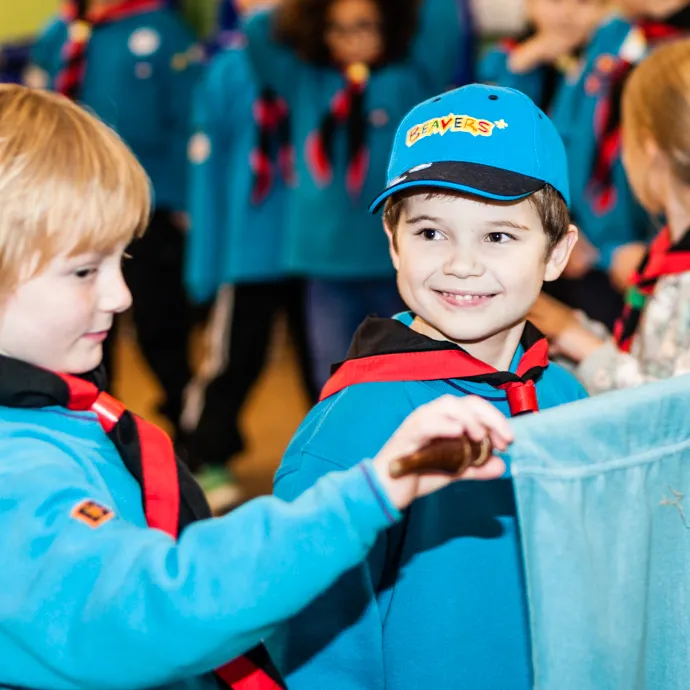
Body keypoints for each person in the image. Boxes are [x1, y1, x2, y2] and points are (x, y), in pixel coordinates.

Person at [0, 83, 508, 690]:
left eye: (120, 263)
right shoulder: (17, 470)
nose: (120, 296)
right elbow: (155, 609)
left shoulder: (56, 415)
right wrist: (369, 493)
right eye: (85, 271)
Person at [268, 84, 588, 689]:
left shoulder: (566, 396)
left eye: (498, 236)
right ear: (392, 241)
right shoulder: (354, 428)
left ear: (556, 252)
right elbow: (313, 648)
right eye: (430, 233)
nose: (460, 264)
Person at [242, 0, 462, 388]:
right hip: (324, 261)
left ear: (388, 26)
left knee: (405, 375)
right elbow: (258, 28)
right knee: (333, 376)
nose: (352, 39)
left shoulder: (415, 80)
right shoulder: (304, 79)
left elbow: (443, 16)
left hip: (397, 258)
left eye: (364, 26)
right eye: (337, 28)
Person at [30, 0, 201, 439]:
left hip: (148, 207)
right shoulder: (60, 33)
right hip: (68, 209)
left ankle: (188, 433)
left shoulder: (165, 30)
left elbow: (188, 123)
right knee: (83, 327)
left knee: (159, 325)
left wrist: (186, 203)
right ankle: (92, 427)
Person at [185, 3, 316, 504]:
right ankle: (206, 454)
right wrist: (207, 262)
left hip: (313, 250)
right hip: (248, 249)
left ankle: (329, 454)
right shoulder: (226, 69)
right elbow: (208, 174)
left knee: (329, 363)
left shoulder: (319, 65)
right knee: (235, 358)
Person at [530, 38, 690, 395]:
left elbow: (670, 413)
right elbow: (651, 359)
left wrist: (576, 339)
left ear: (649, 150)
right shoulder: (666, 249)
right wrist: (567, 326)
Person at [544, 0, 690, 329]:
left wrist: (637, 255)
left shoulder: (679, 55)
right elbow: (563, 129)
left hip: (650, 258)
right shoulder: (613, 34)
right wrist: (559, 217)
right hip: (580, 244)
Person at [479, 0, 606, 114]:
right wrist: (519, 65)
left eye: (583, 2)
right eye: (555, 1)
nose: (568, 12)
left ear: (604, 10)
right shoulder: (503, 56)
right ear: (529, 5)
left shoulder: (605, 64)